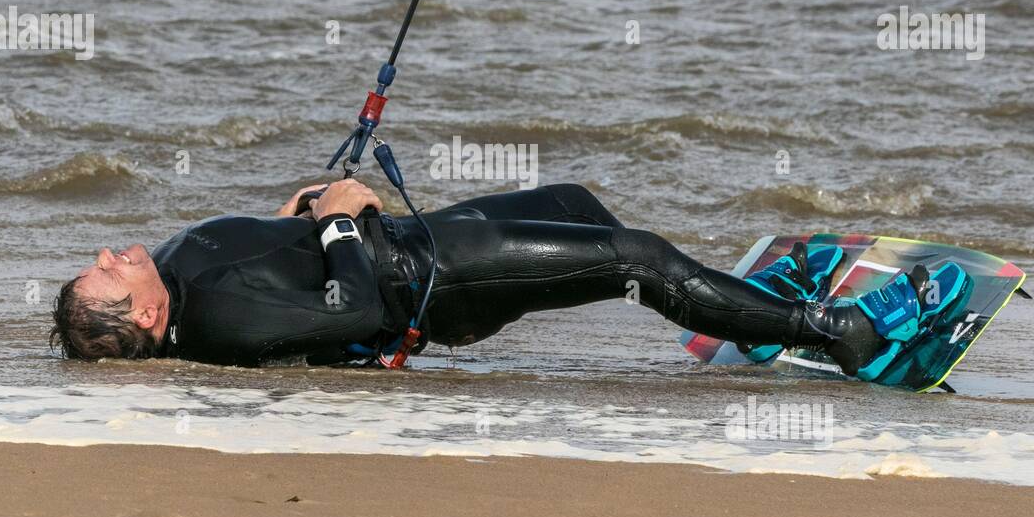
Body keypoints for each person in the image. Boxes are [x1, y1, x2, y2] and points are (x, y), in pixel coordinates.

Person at [50, 181, 956, 384]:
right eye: (105, 275)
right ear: (146, 319)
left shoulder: (178, 268)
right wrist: (338, 220)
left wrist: (305, 208)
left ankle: (748, 318)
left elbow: (278, 249)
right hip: (442, 283)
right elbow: (354, 309)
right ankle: (836, 329)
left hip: (426, 239)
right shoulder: (215, 323)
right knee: (635, 259)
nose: (106, 253)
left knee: (582, 207)